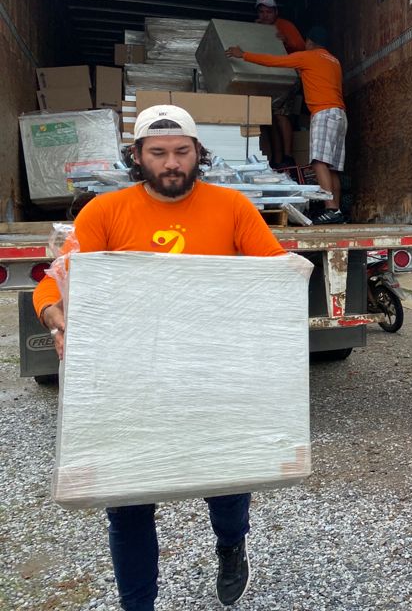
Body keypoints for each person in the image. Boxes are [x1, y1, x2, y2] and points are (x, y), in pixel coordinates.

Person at [33, 105, 286, 611]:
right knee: (127, 503)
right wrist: (56, 317)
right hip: (130, 379)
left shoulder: (232, 207)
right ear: (137, 156)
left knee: (227, 479)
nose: (171, 163)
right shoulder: (104, 212)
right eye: (159, 153)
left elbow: (276, 275)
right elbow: (55, 283)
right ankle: (138, 604)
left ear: (198, 153)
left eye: (182, 152)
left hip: (211, 372)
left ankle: (231, 544)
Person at [226, 26, 347, 224]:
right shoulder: (334, 61)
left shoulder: (309, 57)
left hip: (324, 113)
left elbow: (275, 61)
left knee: (318, 162)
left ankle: (331, 209)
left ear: (309, 42)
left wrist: (243, 55)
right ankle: (337, 211)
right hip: (339, 114)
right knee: (331, 167)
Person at [254, 0, 305, 170]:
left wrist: (286, 41)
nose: (265, 15)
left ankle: (288, 156)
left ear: (276, 12)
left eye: (269, 12)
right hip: (267, 77)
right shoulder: (256, 28)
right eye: (262, 12)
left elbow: (302, 47)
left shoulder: (285, 26)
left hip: (287, 76)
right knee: (269, 118)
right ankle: (276, 159)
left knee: (281, 114)